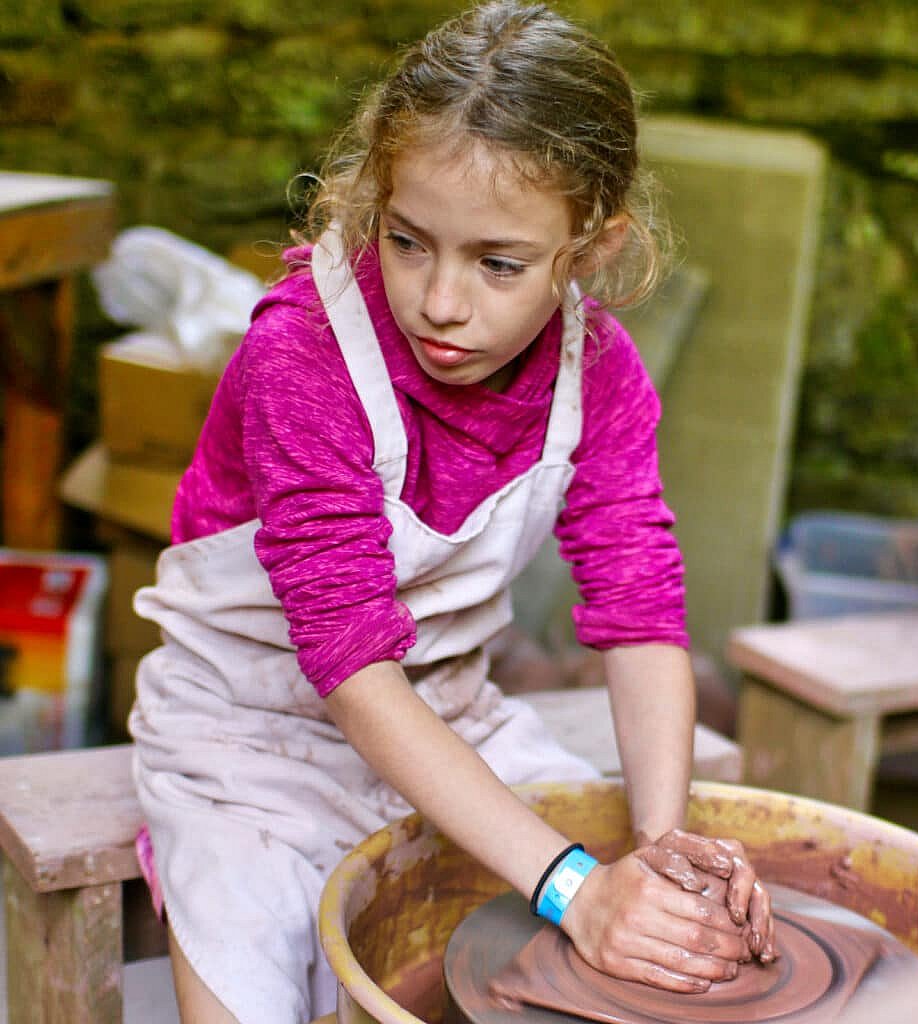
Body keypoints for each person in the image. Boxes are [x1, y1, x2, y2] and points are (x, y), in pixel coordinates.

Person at [128, 3, 773, 1021]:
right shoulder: (306, 355)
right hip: (251, 743)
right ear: (375, 202)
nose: (440, 300)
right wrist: (570, 885)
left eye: (497, 263)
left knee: (647, 934)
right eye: (409, 242)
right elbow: (348, 666)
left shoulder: (595, 373)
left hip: (454, 713)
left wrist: (655, 848)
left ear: (592, 247)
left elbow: (640, 614)